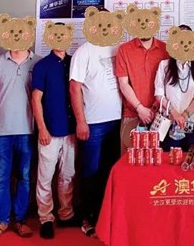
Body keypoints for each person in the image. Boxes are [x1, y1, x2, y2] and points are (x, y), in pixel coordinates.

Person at [70, 23, 122, 238]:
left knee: (111, 171)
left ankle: (106, 215)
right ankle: (88, 217)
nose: (105, 28)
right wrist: (81, 121)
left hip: (118, 120)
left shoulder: (118, 47)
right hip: (93, 122)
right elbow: (74, 87)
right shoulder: (84, 51)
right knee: (90, 171)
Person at [0, 32, 37, 240]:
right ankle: (2, 221)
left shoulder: (37, 62)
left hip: (27, 130)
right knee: (1, 178)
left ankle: (21, 220)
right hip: (1, 131)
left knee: (25, 177)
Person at [32, 24, 77, 240]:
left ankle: (66, 214)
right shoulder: (42, 65)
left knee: (68, 175)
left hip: (71, 130)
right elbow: (36, 99)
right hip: (49, 131)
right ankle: (46, 218)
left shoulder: (74, 63)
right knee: (45, 176)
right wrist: (42, 128)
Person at [115, 10, 168, 151]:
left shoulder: (165, 49)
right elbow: (123, 83)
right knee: (131, 158)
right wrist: (140, 108)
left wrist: (156, 108)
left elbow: (169, 84)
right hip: (132, 114)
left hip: (160, 116)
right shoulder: (124, 50)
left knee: (158, 159)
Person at [154, 33, 194, 151]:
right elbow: (159, 94)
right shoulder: (164, 65)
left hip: (193, 121)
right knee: (169, 157)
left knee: (192, 157)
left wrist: (184, 115)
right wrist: (175, 114)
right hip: (170, 122)